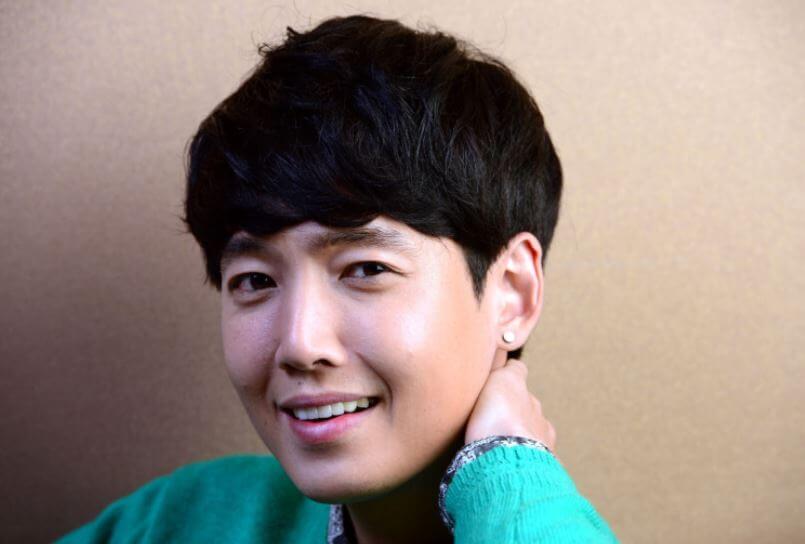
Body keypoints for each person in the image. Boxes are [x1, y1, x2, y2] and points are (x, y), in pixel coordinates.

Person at [58, 14, 619, 543]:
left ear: (513, 293)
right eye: (254, 280)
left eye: (367, 269)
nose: (301, 345)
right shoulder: (177, 521)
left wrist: (509, 477)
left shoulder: (544, 519)